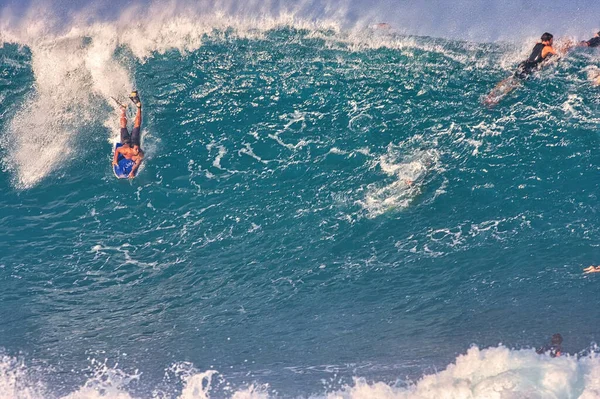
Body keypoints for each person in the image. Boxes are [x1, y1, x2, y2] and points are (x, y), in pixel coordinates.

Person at [113, 91, 144, 178]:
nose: (138, 150)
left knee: (130, 125)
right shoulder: (125, 150)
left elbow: (138, 162)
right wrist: (115, 160)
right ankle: (125, 109)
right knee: (129, 126)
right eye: (137, 149)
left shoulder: (139, 154)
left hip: (129, 141)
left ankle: (136, 108)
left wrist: (133, 171)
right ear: (132, 148)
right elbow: (117, 150)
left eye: (137, 149)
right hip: (128, 142)